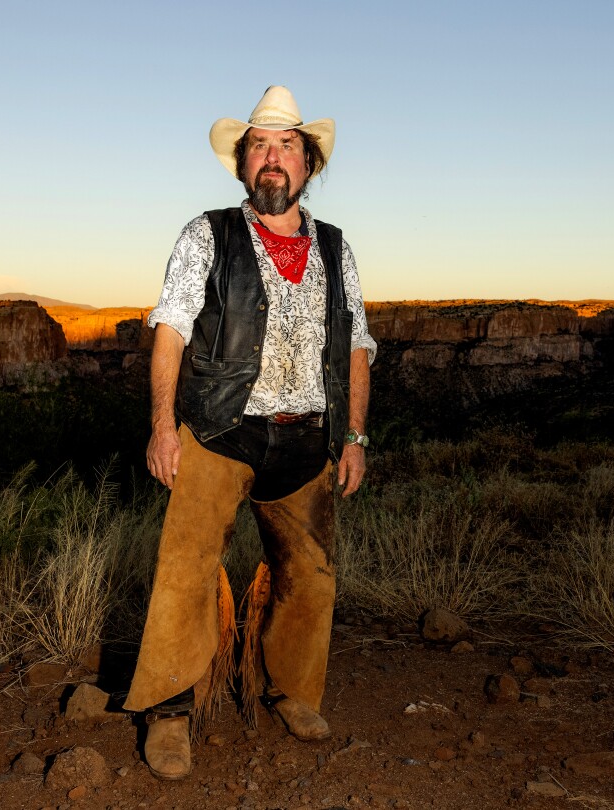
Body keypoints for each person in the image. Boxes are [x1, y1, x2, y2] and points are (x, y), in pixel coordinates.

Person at [122, 85, 376, 780]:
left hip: (307, 439)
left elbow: (357, 342)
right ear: (242, 165)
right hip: (217, 429)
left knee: (311, 576)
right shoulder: (208, 233)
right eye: (260, 146)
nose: (273, 158)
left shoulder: (334, 247)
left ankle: (292, 691)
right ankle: (169, 711)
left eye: (287, 146)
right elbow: (170, 329)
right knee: (185, 568)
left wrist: (355, 436)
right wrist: (162, 426)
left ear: (308, 166)